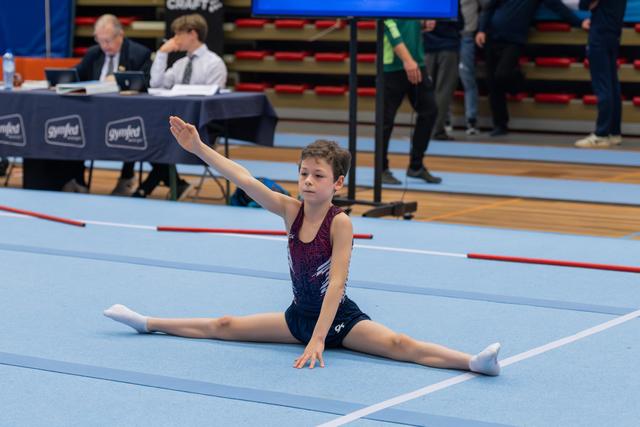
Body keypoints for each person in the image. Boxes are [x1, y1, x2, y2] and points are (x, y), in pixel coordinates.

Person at [104, 115, 501, 375]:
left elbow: (337, 286)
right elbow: (244, 179)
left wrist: (318, 339)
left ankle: (472, 363)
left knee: (399, 344)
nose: (308, 181)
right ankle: (148, 322)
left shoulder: (340, 223)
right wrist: (198, 149)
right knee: (223, 325)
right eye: (303, 173)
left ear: (337, 184)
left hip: (341, 322)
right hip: (299, 316)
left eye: (318, 175)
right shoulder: (289, 211)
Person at [132, 14, 227, 200]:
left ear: (192, 34)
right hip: (174, 125)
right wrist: (161, 54)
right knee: (147, 134)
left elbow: (213, 101)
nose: (174, 39)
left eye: (178, 34)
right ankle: (172, 185)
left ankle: (147, 188)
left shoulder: (214, 64)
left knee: (159, 138)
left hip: (201, 126)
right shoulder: (179, 64)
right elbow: (156, 85)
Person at [476, 0, 588, 136]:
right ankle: (500, 125)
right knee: (493, 84)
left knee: (502, 74)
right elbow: (489, 8)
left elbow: (558, 7)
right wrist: (481, 30)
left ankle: (518, 82)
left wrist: (579, 22)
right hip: (492, 37)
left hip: (513, 41)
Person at [73, 14, 153, 195]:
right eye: (100, 41)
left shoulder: (139, 53)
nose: (105, 46)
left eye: (108, 41)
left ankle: (127, 176)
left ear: (121, 35)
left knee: (133, 128)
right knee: (73, 125)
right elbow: (75, 76)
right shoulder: (94, 53)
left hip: (126, 113)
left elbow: (147, 83)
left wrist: (117, 82)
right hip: (93, 114)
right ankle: (78, 180)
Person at [381, 19, 442, 186]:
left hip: (417, 63)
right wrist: (407, 60)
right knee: (385, 120)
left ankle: (416, 166)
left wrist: (422, 24)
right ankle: (381, 169)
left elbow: (408, 24)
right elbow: (391, 28)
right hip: (392, 67)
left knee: (430, 111)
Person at [575, 0, 627, 148]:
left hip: (600, 32)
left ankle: (602, 134)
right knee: (612, 84)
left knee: (603, 85)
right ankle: (614, 132)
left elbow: (583, 4)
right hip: (613, 32)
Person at [424, 11, 464, 141]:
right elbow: (460, 23)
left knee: (426, 90)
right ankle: (436, 130)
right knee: (444, 91)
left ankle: (423, 129)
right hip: (448, 46)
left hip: (427, 46)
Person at [459, 0, 482, 135]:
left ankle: (471, 120)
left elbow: (486, 5)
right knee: (445, 80)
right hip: (446, 36)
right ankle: (444, 119)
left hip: (467, 35)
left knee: (467, 78)